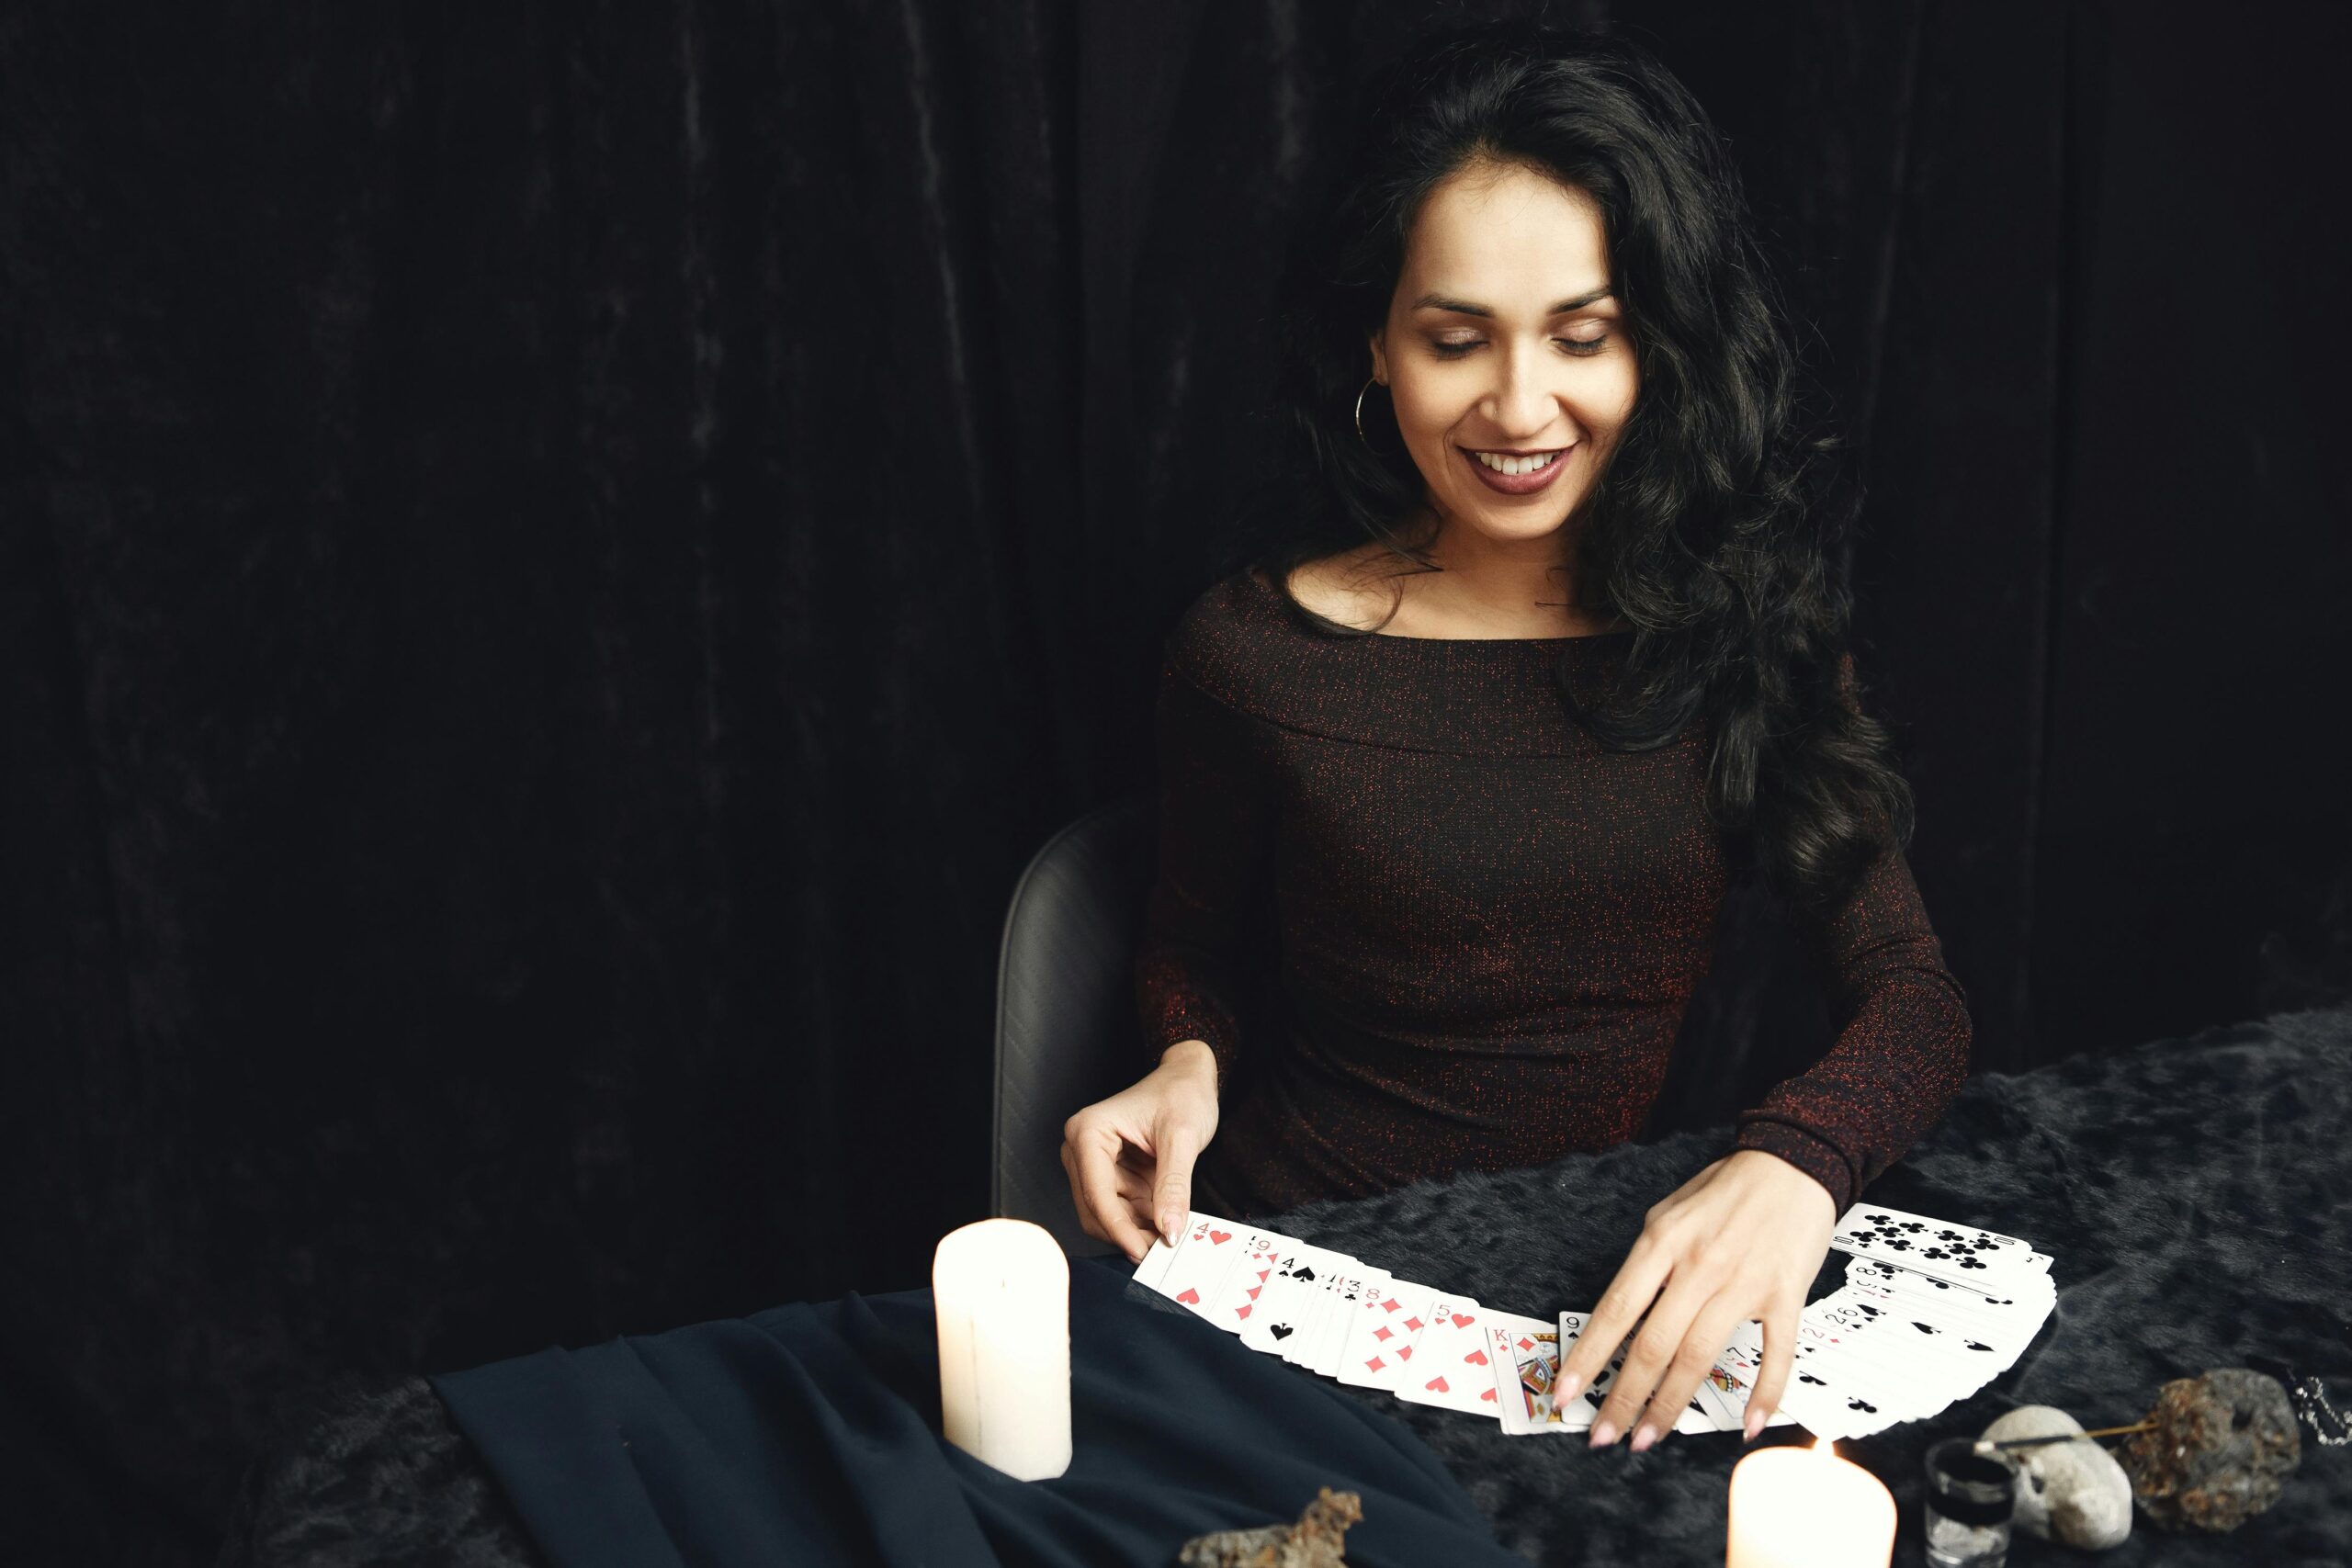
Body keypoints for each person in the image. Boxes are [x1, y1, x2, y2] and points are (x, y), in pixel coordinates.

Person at [1060, 20, 1972, 1457]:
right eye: (1454, 338)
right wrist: (1185, 1062)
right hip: (1294, 1281)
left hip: (1588, 1298)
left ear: (1654, 347)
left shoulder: (1739, 635)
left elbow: (1914, 995)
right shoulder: (1251, 654)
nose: (1519, 405)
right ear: (1379, 342)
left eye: (1582, 335)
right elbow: (1198, 951)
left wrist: (1795, 1166)